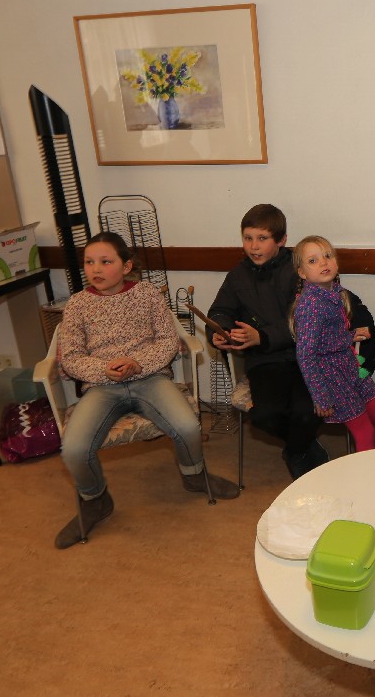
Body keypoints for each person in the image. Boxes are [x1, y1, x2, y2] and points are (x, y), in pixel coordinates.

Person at [54, 232, 240, 550]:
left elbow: (167, 342)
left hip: (149, 378)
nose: (95, 268)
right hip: (101, 387)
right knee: (73, 449)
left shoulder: (148, 294)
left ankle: (194, 475)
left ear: (126, 266)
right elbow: (70, 358)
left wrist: (137, 363)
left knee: (187, 426)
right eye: (89, 262)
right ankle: (95, 500)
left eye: (105, 261)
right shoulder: (77, 305)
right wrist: (104, 369)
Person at [208, 204, 375, 478]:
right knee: (263, 415)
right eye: (248, 238)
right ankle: (301, 447)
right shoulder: (237, 276)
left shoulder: (302, 266)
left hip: (308, 359)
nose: (254, 246)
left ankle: (297, 451)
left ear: (281, 240)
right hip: (266, 361)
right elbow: (220, 311)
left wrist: (262, 336)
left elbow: (334, 307)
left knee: (308, 411)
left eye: (262, 238)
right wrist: (220, 331)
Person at [289, 235, 375, 452]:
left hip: (349, 365)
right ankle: (369, 471)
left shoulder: (335, 292)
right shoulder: (310, 306)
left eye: (328, 256)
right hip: (331, 377)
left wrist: (349, 335)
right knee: (365, 432)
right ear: (302, 272)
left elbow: (328, 336)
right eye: (313, 260)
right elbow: (306, 355)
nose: (323, 262)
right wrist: (320, 396)